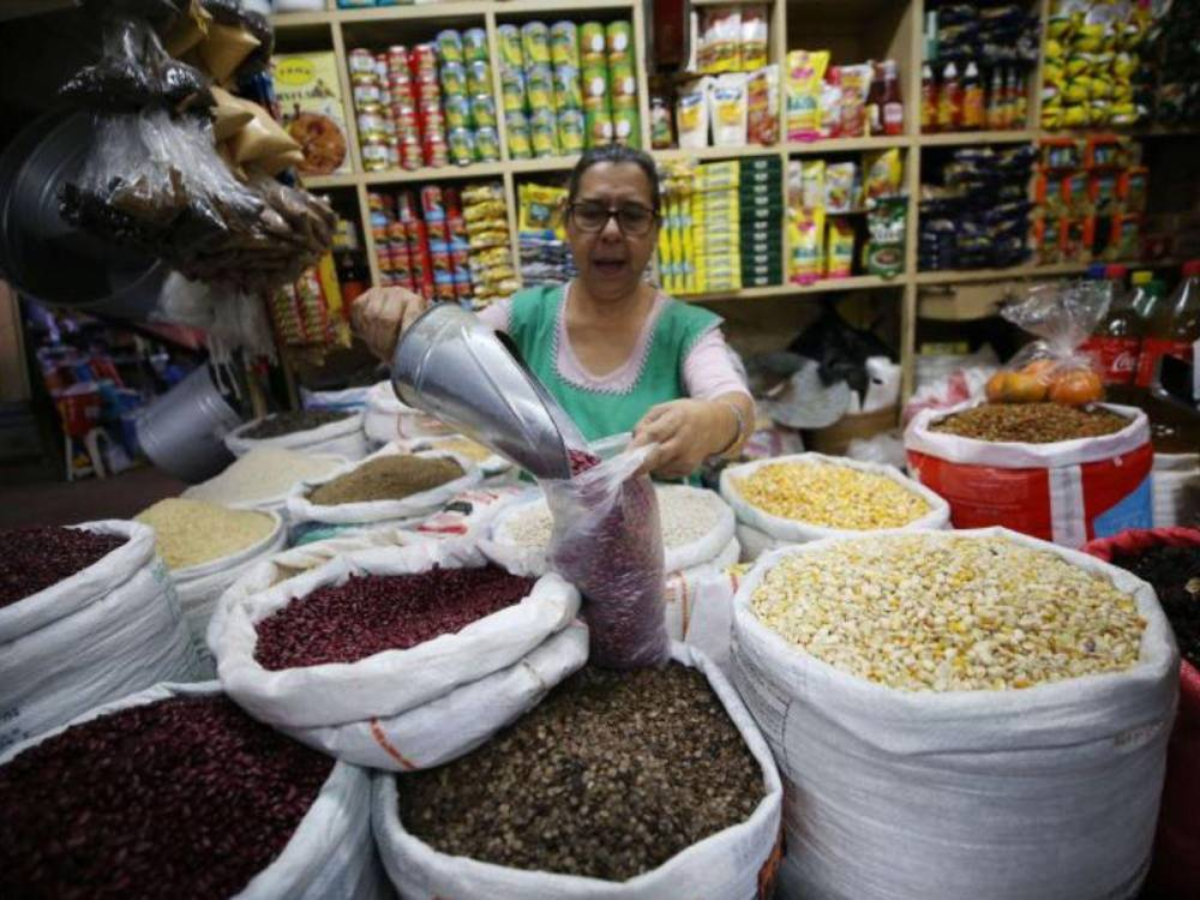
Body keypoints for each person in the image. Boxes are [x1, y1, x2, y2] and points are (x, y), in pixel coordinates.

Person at [352, 144, 755, 480]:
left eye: (632, 215)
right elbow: (448, 355)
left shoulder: (687, 330)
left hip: (670, 541)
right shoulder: (524, 317)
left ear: (655, 230)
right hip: (548, 538)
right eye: (592, 213)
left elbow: (734, 404)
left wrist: (712, 423)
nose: (611, 232)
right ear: (567, 222)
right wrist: (402, 324)